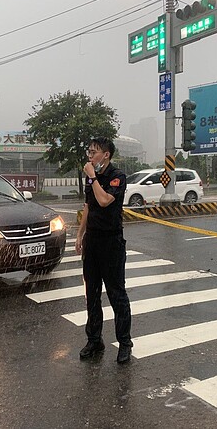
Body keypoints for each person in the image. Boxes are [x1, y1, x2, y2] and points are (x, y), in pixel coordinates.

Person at [75, 137, 133, 364]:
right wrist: (80, 235)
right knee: (92, 294)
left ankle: (125, 343)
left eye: (94, 152)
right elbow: (88, 206)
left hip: (111, 242)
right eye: (88, 152)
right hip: (93, 241)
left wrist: (92, 177)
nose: (90, 157)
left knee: (117, 294)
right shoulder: (93, 178)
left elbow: (105, 200)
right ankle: (94, 339)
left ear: (106, 155)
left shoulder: (117, 177)